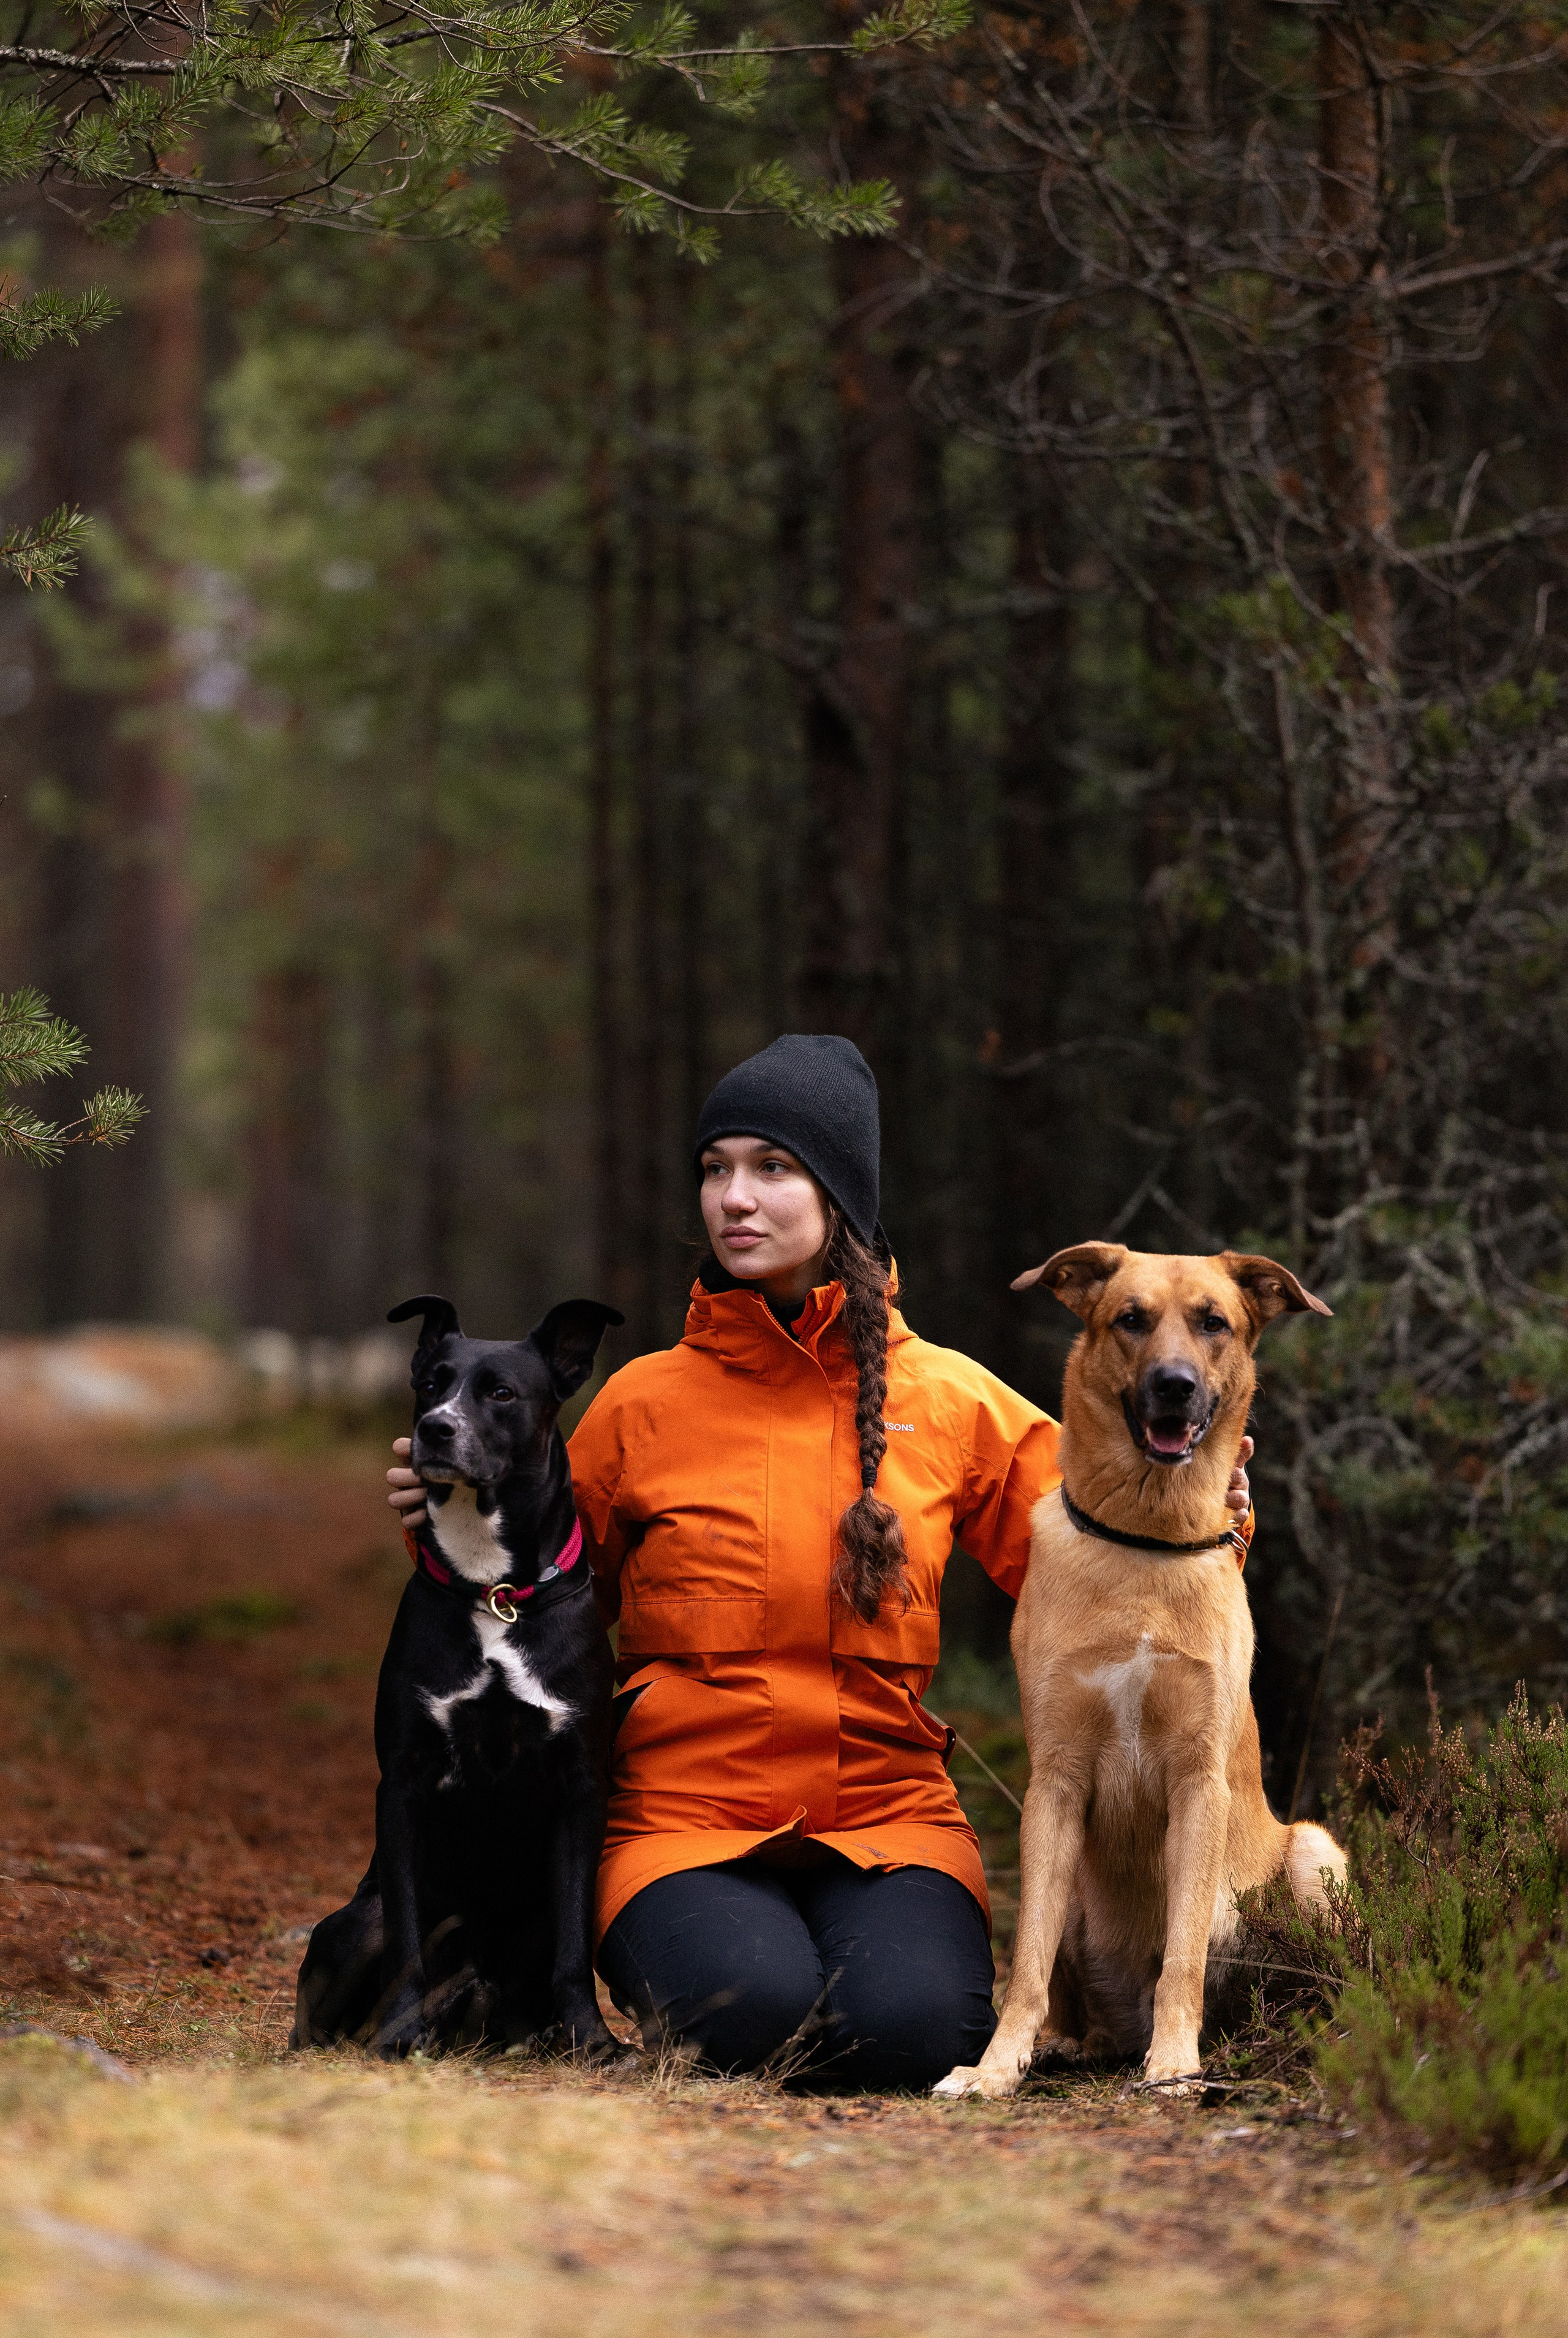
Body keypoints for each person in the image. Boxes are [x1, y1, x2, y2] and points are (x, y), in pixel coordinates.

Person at [388, 1034, 1252, 2090]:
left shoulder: (951, 1401)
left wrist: (1209, 1505)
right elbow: (528, 1610)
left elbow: (1102, 1545)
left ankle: (869, 1969)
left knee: (912, 2037)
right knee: (751, 2017)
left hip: (889, 1822)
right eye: (715, 1170)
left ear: (838, 1193)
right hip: (681, 1826)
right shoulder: (639, 1409)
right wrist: (449, 1516)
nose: (734, 1199)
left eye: (771, 1168)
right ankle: (728, 1960)